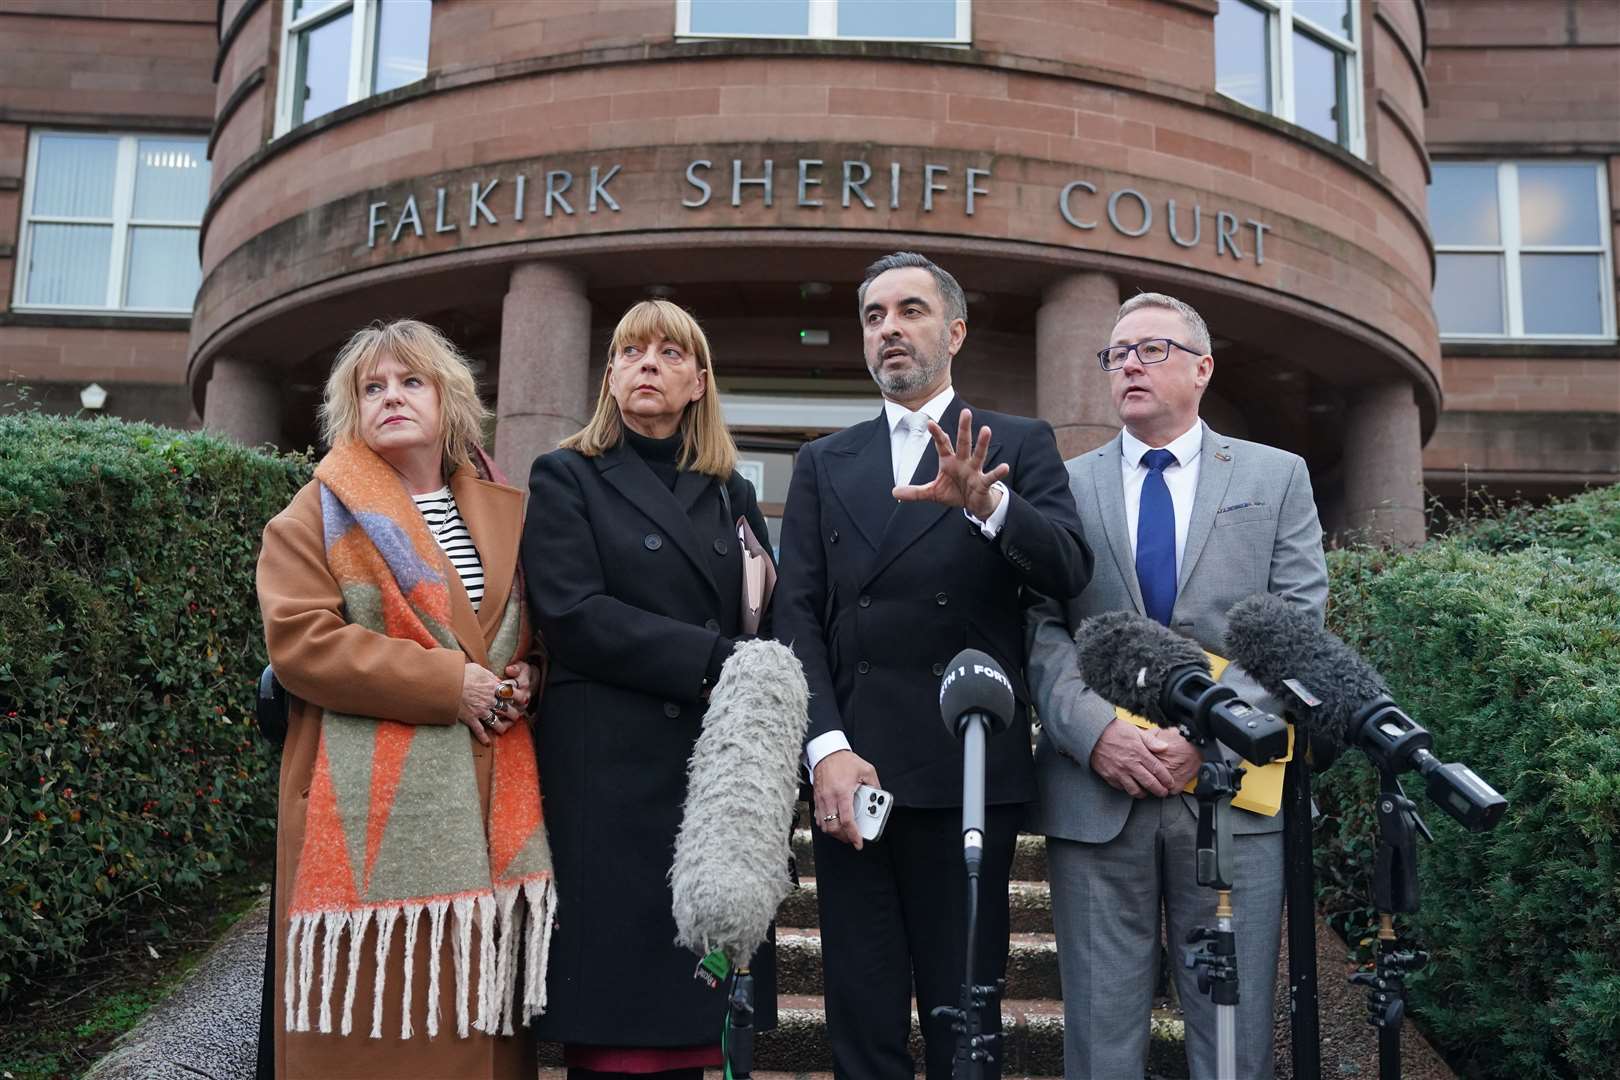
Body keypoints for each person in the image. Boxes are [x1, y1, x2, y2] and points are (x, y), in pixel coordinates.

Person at [774, 251, 1091, 1078]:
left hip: (969, 767)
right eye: (874, 317)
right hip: (856, 773)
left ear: (953, 330)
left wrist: (987, 504)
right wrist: (826, 749)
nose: (889, 330)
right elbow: (796, 615)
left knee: (966, 1025)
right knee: (863, 1020)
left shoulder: (1015, 444)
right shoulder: (822, 462)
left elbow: (1067, 571)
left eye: (909, 311)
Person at [1026, 291, 1329, 1080]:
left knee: (1232, 1038)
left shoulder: (1277, 475)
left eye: (1150, 348)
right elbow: (1040, 628)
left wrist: (1210, 736)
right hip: (1097, 796)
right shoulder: (1062, 485)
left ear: (1203, 368)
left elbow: (1296, 628)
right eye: (1116, 353)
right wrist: (1095, 732)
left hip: (1234, 794)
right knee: (1100, 1040)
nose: (1128, 362)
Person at [256, 319, 553, 1080]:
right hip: (369, 815)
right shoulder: (313, 515)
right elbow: (302, 643)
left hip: (488, 807)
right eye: (372, 386)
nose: (391, 396)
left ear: (448, 399)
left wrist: (528, 676)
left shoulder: (504, 512)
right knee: (380, 1029)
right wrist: (447, 685)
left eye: (410, 381)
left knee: (471, 1017)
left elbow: (518, 636)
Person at [520, 299, 777, 1078]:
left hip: (707, 778)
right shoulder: (566, 473)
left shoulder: (729, 489)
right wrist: (713, 660)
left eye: (669, 354)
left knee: (694, 1025)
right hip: (608, 776)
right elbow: (572, 613)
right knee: (621, 1031)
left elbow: (765, 607)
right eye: (631, 352)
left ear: (698, 383)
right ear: (610, 375)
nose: (648, 366)